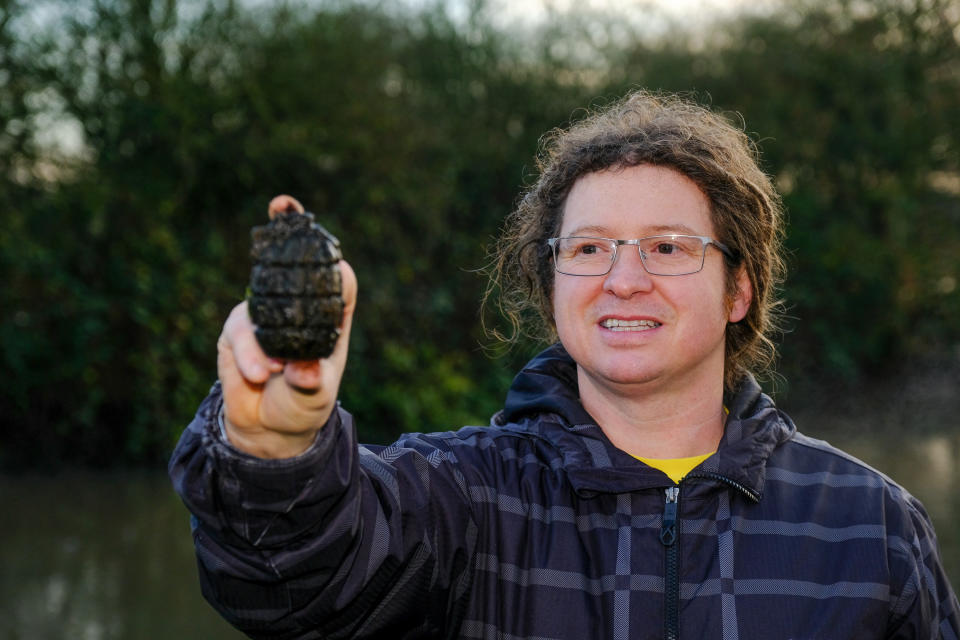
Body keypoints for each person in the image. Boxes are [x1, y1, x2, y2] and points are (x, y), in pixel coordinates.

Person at [169, 90, 960, 639]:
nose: (623, 278)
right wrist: (273, 447)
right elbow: (294, 590)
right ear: (551, 289)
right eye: (588, 249)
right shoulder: (459, 501)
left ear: (739, 290)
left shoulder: (871, 526)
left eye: (667, 247)